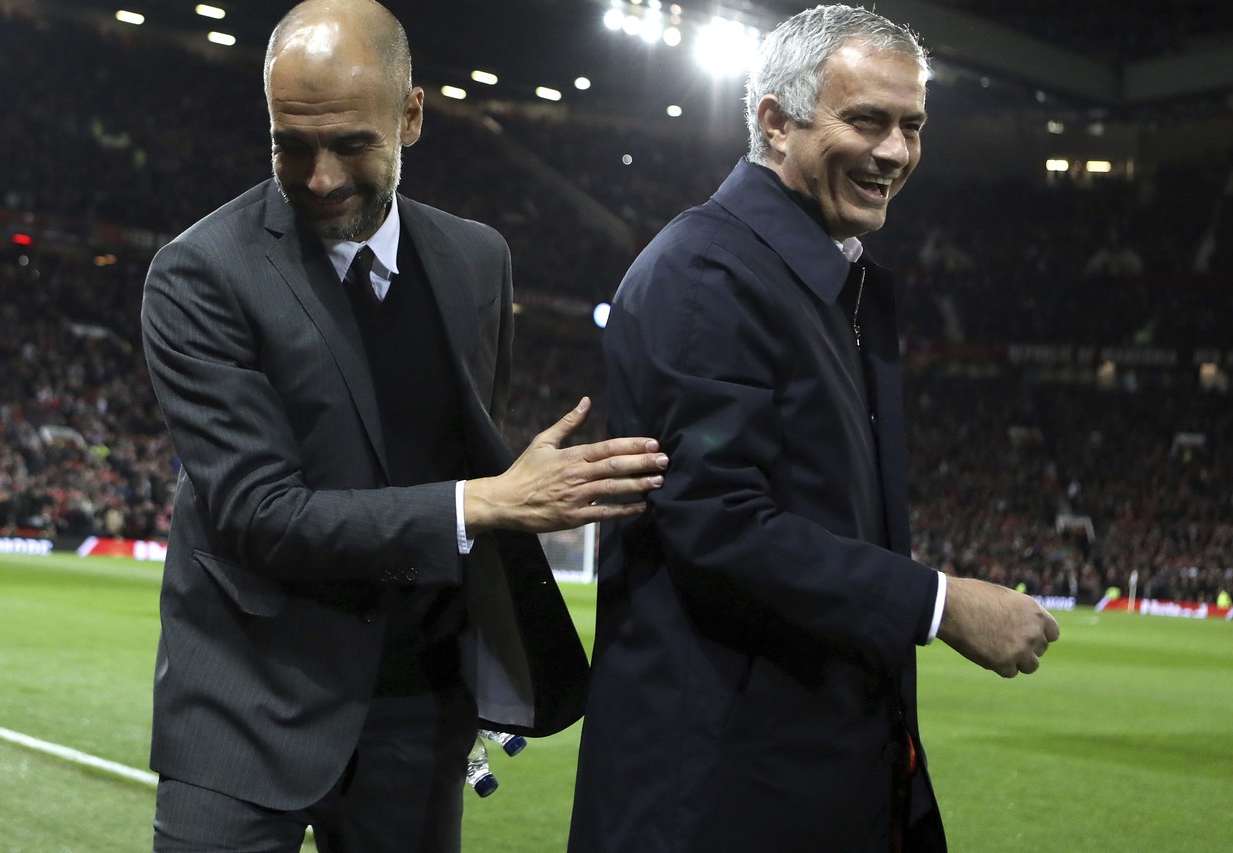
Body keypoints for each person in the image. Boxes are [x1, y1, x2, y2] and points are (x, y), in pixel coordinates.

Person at [139, 1, 668, 849]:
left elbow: (459, 433)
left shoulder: (477, 259)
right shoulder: (199, 275)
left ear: (411, 116)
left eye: (350, 144)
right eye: (290, 144)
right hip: (245, 700)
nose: (317, 177)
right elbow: (256, 513)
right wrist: (481, 504)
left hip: (416, 713)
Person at [568, 7, 1059, 851]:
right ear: (775, 121)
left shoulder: (827, 280)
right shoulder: (709, 272)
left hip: (808, 775)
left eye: (912, 126)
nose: (895, 152)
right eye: (865, 120)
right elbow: (716, 520)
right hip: (719, 796)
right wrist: (940, 603)